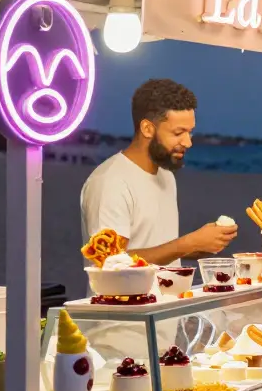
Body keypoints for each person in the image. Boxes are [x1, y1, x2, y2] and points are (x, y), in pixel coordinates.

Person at [80, 79, 235, 272]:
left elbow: (161, 250)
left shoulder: (165, 175)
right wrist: (188, 243)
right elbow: (110, 263)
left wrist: (203, 243)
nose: (188, 143)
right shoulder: (110, 183)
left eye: (190, 132)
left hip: (168, 300)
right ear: (147, 129)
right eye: (178, 133)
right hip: (126, 302)